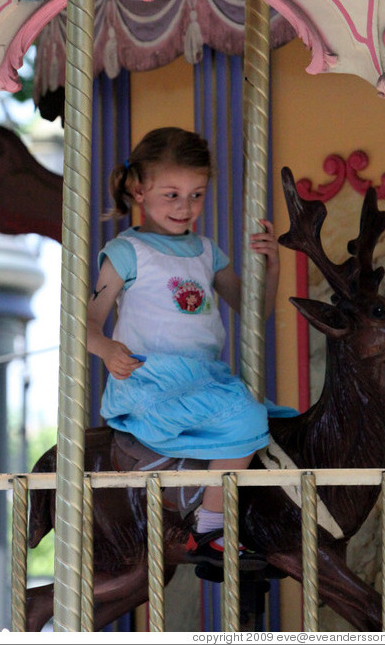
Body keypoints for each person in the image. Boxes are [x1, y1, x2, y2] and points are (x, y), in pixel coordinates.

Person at [87, 126, 281, 575]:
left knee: (276, 421)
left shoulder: (207, 252)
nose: (185, 207)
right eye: (172, 194)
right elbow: (87, 321)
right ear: (138, 190)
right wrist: (106, 349)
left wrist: (271, 267)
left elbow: (256, 313)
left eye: (196, 195)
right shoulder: (126, 251)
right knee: (250, 417)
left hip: (204, 379)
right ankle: (210, 530)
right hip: (151, 384)